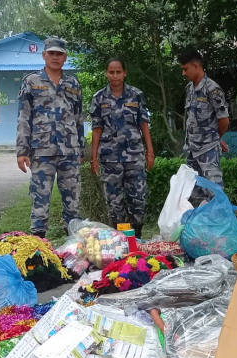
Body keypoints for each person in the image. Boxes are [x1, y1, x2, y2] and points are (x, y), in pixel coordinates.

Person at [16, 37, 84, 239]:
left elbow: (79, 119)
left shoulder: (73, 83)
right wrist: (22, 151)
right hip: (41, 151)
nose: (55, 57)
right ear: (44, 55)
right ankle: (39, 250)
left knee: (72, 204)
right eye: (51, 53)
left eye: (59, 53)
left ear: (65, 57)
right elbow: (24, 117)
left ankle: (73, 249)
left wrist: (81, 149)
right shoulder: (31, 82)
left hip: (69, 152)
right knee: (40, 203)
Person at [89, 58, 154, 238]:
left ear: (124, 73)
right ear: (106, 73)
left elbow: (143, 124)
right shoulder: (99, 98)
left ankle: (137, 239)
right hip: (110, 159)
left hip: (134, 157)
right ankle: (119, 242)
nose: (115, 75)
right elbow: (97, 129)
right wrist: (93, 157)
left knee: (138, 200)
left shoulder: (136, 95)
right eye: (111, 72)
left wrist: (150, 151)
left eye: (118, 72)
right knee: (114, 204)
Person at [178, 48, 230, 206]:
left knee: (215, 192)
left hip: (208, 149)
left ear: (195, 66)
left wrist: (215, 138)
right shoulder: (190, 89)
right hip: (192, 150)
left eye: (185, 69)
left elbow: (224, 121)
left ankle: (220, 228)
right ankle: (201, 228)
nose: (183, 73)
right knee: (195, 193)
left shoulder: (212, 89)